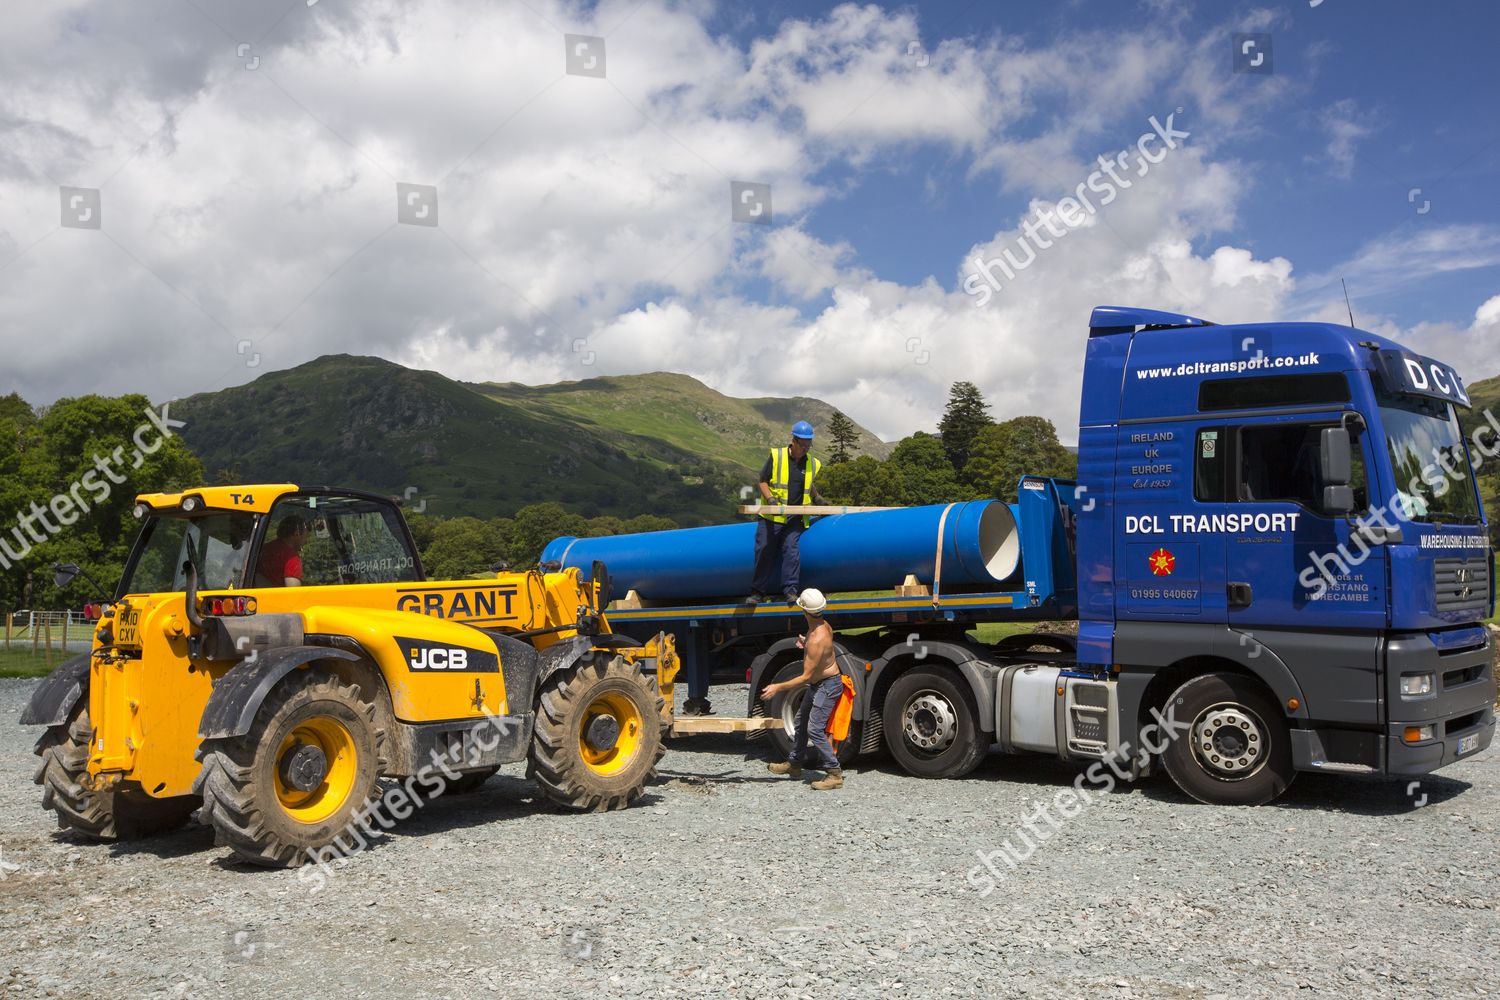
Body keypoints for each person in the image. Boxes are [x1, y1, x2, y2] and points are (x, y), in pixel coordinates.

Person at [760, 588, 845, 790]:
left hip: (827, 685)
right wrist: (806, 643)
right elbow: (819, 649)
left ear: (803, 610)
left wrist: (777, 687)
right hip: (820, 683)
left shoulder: (817, 637)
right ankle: (795, 764)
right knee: (800, 721)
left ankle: (834, 773)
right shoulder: (820, 627)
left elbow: (805, 677)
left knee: (814, 729)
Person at [750, 421, 825, 604]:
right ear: (794, 441)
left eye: (809, 444)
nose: (806, 448)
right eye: (803, 444)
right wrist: (771, 499)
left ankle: (790, 592)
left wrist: (817, 498)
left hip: (795, 518)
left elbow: (806, 483)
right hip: (772, 517)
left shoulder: (812, 463)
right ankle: (758, 592)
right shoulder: (777, 456)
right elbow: (762, 481)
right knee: (765, 550)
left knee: (791, 552)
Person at [257, 515, 310, 587]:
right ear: (296, 533)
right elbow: (294, 593)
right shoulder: (292, 558)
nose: (306, 541)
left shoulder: (264, 549)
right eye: (306, 536)